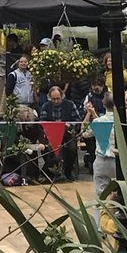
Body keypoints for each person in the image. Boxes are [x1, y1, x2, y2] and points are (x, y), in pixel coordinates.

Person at [83, 93, 117, 226]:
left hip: (102, 160)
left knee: (100, 194)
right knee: (120, 193)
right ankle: (118, 224)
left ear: (104, 104)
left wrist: (89, 114)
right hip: (118, 161)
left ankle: (99, 226)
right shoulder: (122, 121)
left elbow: (85, 132)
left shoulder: (99, 121)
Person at [39, 86, 81, 180]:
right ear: (49, 98)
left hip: (68, 133)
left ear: (62, 96)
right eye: (53, 99)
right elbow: (42, 123)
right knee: (46, 149)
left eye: (58, 99)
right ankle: (51, 171)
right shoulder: (46, 106)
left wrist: (69, 125)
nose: (56, 101)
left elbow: (78, 120)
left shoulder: (70, 104)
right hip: (51, 134)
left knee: (72, 149)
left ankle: (68, 170)